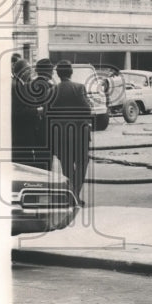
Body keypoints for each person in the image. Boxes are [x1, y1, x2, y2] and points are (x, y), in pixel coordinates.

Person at [48, 59, 93, 199]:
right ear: (71, 72)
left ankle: (71, 195)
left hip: (61, 135)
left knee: (67, 166)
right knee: (82, 163)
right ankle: (75, 194)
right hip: (80, 134)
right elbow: (87, 110)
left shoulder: (52, 90)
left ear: (58, 74)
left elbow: (48, 114)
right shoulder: (79, 88)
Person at [11, 58, 51, 170]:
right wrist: (36, 111)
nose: (30, 73)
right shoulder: (16, 86)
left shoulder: (19, 84)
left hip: (24, 136)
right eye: (29, 70)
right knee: (25, 167)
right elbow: (16, 112)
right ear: (22, 72)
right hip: (21, 137)